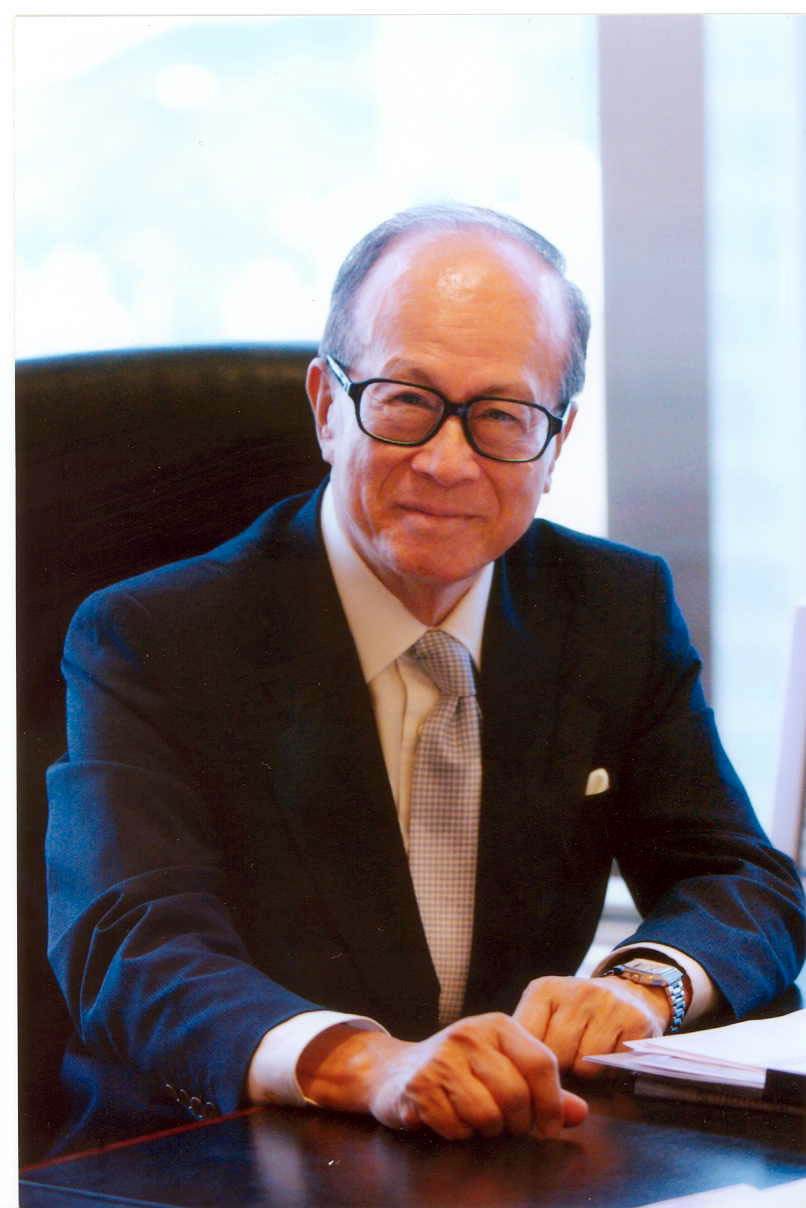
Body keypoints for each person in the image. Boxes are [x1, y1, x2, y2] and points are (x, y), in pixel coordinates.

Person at [46, 203, 805, 1150]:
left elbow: (742, 876)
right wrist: (369, 1063)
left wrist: (643, 986)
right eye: (407, 400)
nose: (448, 463)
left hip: (494, 1152)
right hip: (211, 1154)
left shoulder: (613, 608)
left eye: (502, 416)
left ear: (556, 443)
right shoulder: (152, 635)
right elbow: (131, 943)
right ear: (328, 408)